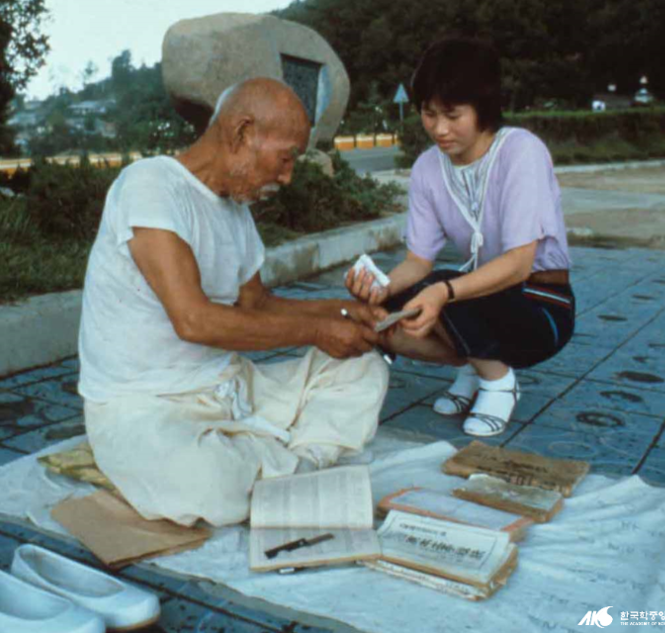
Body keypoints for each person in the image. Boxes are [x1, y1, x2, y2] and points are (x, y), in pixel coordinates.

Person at [78, 78, 389, 527]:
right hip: (144, 405)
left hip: (229, 389)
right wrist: (318, 330)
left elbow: (257, 305)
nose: (286, 176)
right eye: (286, 158)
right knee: (204, 482)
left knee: (364, 368)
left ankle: (274, 467)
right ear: (243, 133)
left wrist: (344, 313)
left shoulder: (234, 211)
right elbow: (194, 321)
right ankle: (292, 460)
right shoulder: (149, 186)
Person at [347, 38, 575, 438]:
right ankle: (473, 364)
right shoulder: (426, 169)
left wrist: (443, 293)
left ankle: (499, 380)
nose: (439, 129)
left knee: (439, 290)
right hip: (480, 302)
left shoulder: (521, 152)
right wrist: (378, 288)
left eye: (452, 115)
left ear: (482, 108)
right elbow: (418, 261)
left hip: (540, 306)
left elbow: (520, 263)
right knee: (387, 313)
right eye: (428, 113)